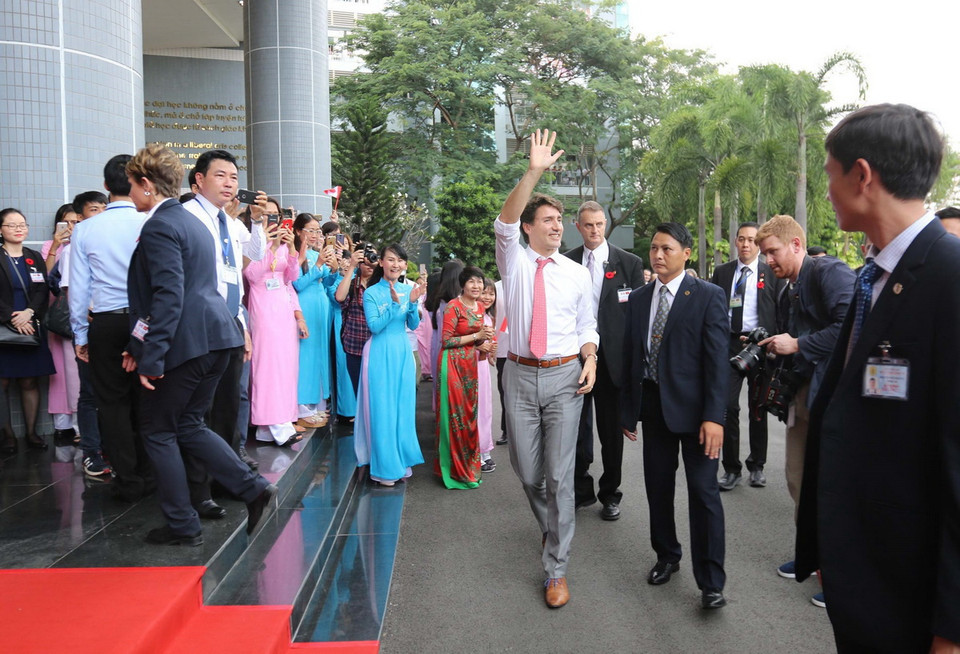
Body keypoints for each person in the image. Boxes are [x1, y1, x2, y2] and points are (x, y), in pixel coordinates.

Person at [795, 104, 960, 652]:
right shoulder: (874, 276)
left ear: (862, 175)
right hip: (866, 572)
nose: (827, 192)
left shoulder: (949, 275)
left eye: (829, 176)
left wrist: (952, 629)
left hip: (912, 592)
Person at [122, 143, 276, 545]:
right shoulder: (194, 223)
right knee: (189, 424)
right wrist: (139, 346)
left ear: (145, 183)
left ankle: (182, 524)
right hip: (218, 337)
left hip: (190, 343)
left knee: (158, 431)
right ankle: (253, 489)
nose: (128, 194)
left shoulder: (162, 225)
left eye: (131, 186)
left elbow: (168, 296)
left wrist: (151, 356)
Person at [495, 129, 598, 609]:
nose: (558, 226)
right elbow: (504, 221)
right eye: (549, 220)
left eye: (560, 220)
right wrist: (533, 172)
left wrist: (590, 356)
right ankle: (551, 527)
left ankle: (556, 568)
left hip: (564, 379)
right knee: (528, 472)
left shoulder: (577, 274)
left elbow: (586, 325)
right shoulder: (514, 262)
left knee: (559, 476)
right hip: (517, 376)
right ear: (529, 228)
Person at [619, 221, 729, 610]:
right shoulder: (638, 298)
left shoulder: (708, 296)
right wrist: (628, 412)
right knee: (658, 488)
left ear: (686, 253)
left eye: (667, 248)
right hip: (654, 409)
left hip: (698, 416)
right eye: (654, 248)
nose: (658, 255)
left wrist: (714, 417)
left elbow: (717, 361)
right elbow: (632, 355)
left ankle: (711, 582)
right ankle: (667, 555)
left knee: (703, 493)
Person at [754, 213, 855, 607]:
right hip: (802, 394)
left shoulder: (830, 272)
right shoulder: (788, 290)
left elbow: (851, 326)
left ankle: (839, 576)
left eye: (773, 252)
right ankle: (812, 556)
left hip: (833, 395)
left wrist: (797, 344)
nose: (768, 261)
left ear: (796, 244)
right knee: (798, 480)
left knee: (832, 487)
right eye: (764, 255)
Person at [182, 149, 265, 471]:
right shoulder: (187, 216)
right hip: (200, 323)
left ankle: (228, 464)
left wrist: (257, 220)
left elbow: (255, 253)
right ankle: (201, 472)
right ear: (199, 180)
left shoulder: (227, 222)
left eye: (233, 177)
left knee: (229, 400)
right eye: (221, 175)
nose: (229, 183)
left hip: (231, 320)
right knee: (201, 403)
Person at [69, 155, 148, 491]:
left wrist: (80, 335)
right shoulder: (150, 221)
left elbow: (78, 288)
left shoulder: (86, 228)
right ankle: (151, 472)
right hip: (147, 321)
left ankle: (127, 478)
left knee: (112, 403)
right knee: (148, 397)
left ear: (105, 187)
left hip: (106, 322)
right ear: (141, 181)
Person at [563, 200, 644, 520]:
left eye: (599, 224)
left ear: (605, 225)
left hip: (613, 363)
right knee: (577, 430)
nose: (594, 230)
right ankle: (580, 490)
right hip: (575, 358)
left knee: (611, 433)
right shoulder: (566, 261)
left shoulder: (629, 263)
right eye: (588, 225)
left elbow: (637, 316)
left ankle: (611, 493)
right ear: (578, 226)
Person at [709, 222, 783, 490]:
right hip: (729, 344)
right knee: (728, 406)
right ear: (735, 242)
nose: (746, 244)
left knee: (757, 408)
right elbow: (714, 308)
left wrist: (775, 344)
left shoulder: (771, 273)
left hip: (760, 345)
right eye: (741, 239)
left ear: (758, 244)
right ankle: (731, 468)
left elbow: (780, 309)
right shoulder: (723, 272)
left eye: (751, 240)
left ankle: (757, 465)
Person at [353, 244, 424, 486]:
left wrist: (412, 303)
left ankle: (400, 461)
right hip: (379, 353)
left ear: (404, 264)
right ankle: (385, 468)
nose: (396, 264)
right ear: (381, 262)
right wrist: (394, 305)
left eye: (400, 260)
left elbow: (413, 325)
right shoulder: (371, 293)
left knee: (402, 408)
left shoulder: (408, 289)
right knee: (383, 409)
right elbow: (374, 327)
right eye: (391, 259)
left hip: (402, 351)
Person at [244, 199, 306, 447]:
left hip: (283, 309)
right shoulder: (252, 240)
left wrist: (291, 250)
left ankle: (277, 424)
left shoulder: (284, 243)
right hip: (262, 307)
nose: (271, 219)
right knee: (266, 365)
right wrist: (272, 246)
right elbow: (252, 275)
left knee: (285, 366)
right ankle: (272, 423)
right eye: (266, 214)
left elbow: (291, 278)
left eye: (275, 215)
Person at [0, 208, 55, 453]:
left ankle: (31, 433)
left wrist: (29, 312)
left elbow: (42, 289)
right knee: (2, 382)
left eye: (22, 224)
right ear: (0, 230)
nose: (19, 229)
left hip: (30, 324)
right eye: (12, 225)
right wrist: (13, 317)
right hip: (4, 325)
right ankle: (8, 436)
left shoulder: (33, 257)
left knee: (29, 380)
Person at [434, 266, 493, 489]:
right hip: (451, 365)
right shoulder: (453, 306)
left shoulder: (479, 306)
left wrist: (482, 343)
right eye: (472, 282)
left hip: (469, 365)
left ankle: (468, 467)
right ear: (463, 284)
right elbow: (446, 340)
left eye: (479, 282)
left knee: (469, 415)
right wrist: (477, 336)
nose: (477, 286)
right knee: (454, 417)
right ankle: (452, 470)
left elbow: (473, 339)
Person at [291, 212, 335, 430]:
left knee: (320, 354)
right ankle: (301, 406)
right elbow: (296, 284)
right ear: (298, 231)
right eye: (311, 230)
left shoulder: (315, 253)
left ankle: (317, 402)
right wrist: (318, 264)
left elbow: (327, 282)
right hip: (305, 306)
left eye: (318, 231)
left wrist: (334, 268)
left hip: (320, 307)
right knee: (306, 355)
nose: (316, 234)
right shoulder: (294, 254)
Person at [42, 204, 80, 444]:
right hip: (58, 315)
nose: (71, 227)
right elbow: (46, 278)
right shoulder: (50, 246)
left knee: (76, 370)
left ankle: (79, 424)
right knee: (59, 371)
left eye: (76, 222)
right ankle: (63, 424)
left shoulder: (86, 244)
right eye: (67, 222)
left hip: (79, 314)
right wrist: (56, 247)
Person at [335, 243, 376, 396]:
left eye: (373, 258)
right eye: (365, 260)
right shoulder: (352, 284)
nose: (369, 263)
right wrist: (351, 266)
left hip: (376, 348)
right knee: (359, 394)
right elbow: (340, 297)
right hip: (354, 348)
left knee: (376, 394)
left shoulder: (381, 285)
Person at [476, 278, 498, 471]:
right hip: (469, 366)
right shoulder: (471, 314)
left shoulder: (489, 317)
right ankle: (476, 452)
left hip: (482, 367)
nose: (488, 297)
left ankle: (485, 450)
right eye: (484, 292)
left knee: (485, 409)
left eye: (491, 293)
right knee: (475, 408)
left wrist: (491, 351)